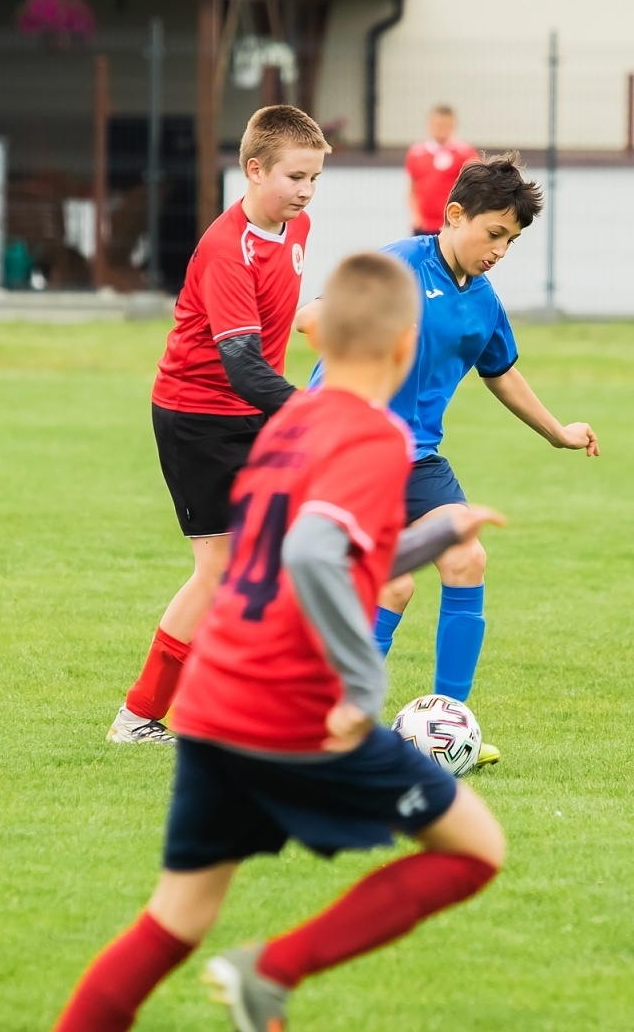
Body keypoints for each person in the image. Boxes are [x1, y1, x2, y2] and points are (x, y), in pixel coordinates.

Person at [53, 252, 507, 1032]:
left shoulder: (289, 422)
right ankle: (273, 969)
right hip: (292, 708)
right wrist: (363, 694)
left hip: (213, 698)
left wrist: (432, 538)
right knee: (474, 847)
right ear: (406, 348)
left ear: (319, 337)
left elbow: (314, 545)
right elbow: (311, 553)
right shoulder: (377, 437)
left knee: (174, 922)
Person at [296, 153, 599, 766]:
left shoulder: (482, 299)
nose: (500, 251)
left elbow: (502, 372)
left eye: (510, 241)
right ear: (454, 214)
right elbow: (310, 318)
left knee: (466, 555)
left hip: (416, 458)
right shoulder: (398, 265)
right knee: (396, 584)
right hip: (345, 446)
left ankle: (448, 727)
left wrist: (556, 433)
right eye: (494, 234)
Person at [109, 105, 330, 744]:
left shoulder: (298, 226)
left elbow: (278, 319)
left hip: (256, 415)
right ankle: (139, 716)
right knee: (219, 572)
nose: (306, 191)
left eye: (314, 178)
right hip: (198, 417)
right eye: (295, 177)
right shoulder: (224, 248)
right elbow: (240, 364)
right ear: (254, 170)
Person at [405, 104, 477, 237]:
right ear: (429, 125)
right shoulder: (416, 152)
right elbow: (413, 190)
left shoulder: (465, 153)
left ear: (453, 125)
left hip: (452, 224)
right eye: (437, 125)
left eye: (445, 125)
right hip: (423, 225)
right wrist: (416, 217)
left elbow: (474, 190)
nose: (441, 129)